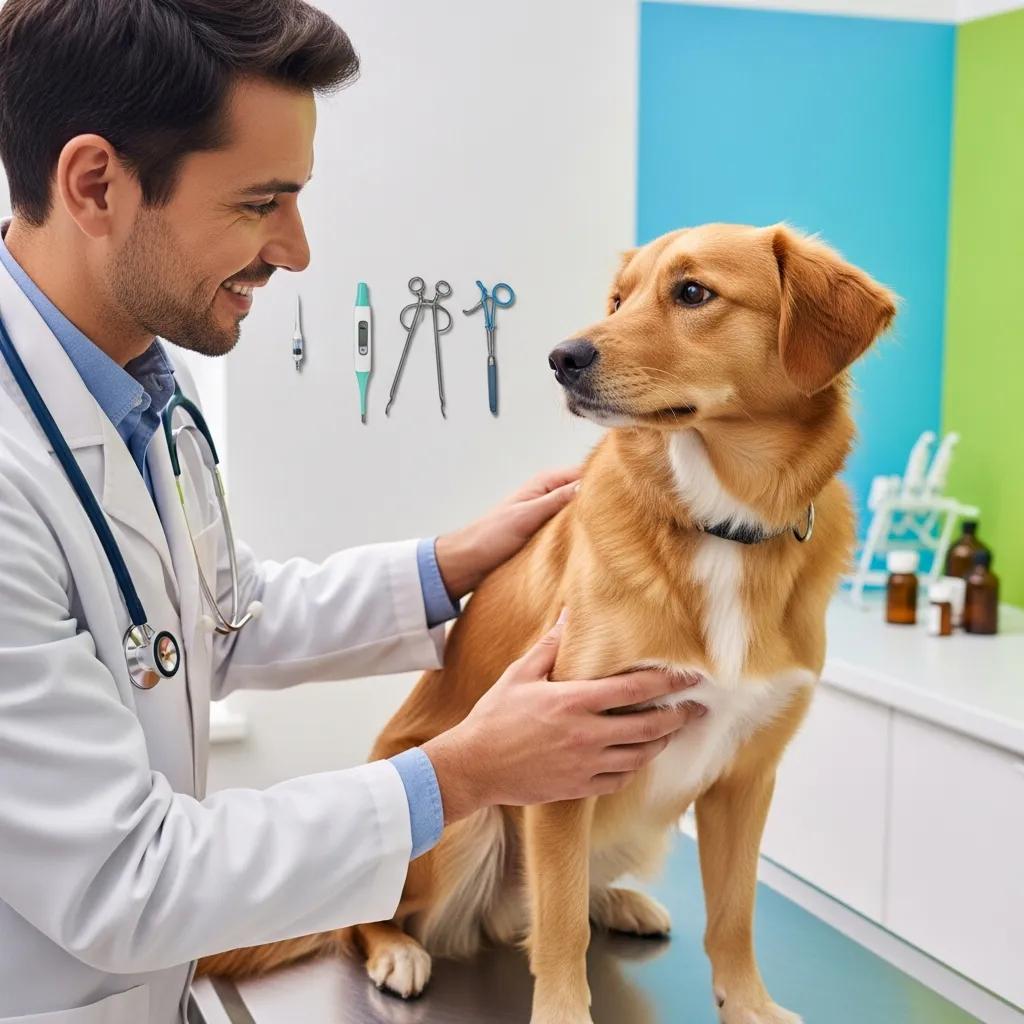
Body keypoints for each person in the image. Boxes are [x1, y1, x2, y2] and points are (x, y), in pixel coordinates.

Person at [0, 2, 702, 1022]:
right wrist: (459, 772)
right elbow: (124, 878)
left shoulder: (139, 384)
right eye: (260, 202)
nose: (295, 249)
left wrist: (449, 564)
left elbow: (213, 613)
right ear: (95, 184)